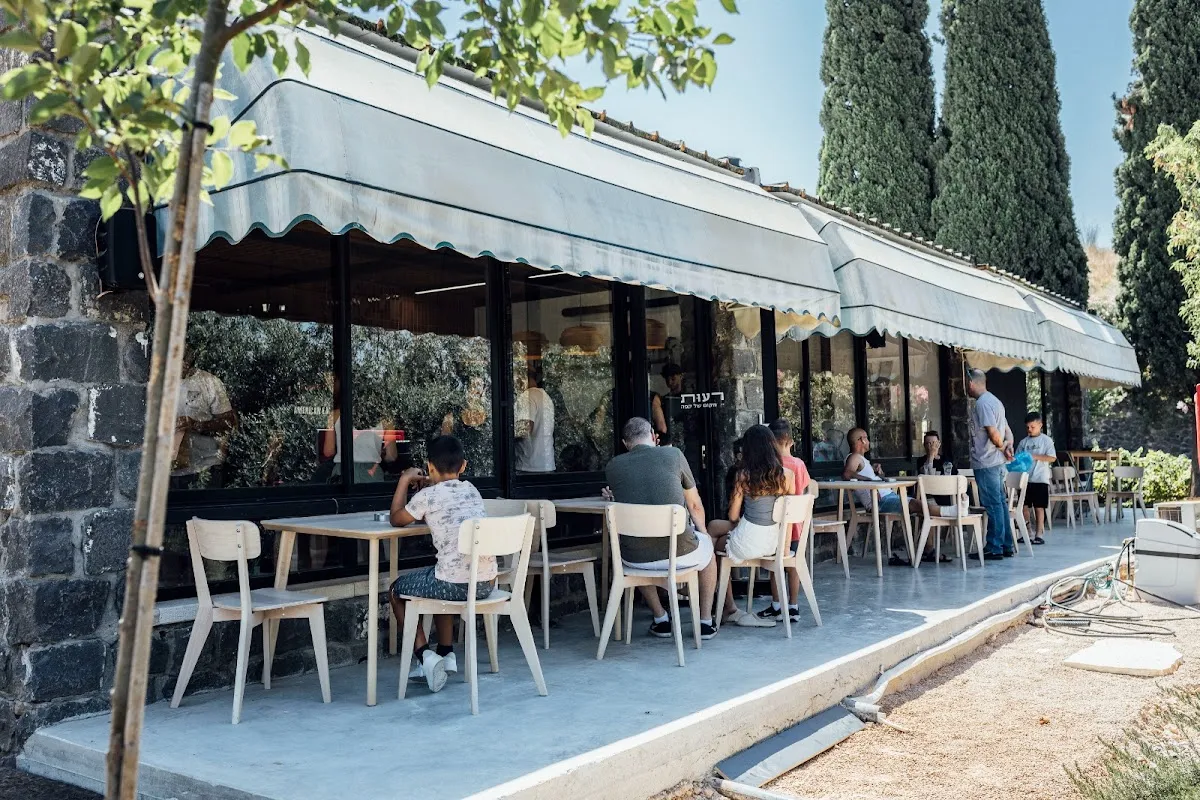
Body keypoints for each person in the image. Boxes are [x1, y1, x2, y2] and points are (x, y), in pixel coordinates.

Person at [387, 435, 491, 694]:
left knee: (396, 590)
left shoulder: (428, 496)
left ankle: (425, 656)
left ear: (429, 466)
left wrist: (404, 480)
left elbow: (396, 519)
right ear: (463, 466)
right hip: (485, 584)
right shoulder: (472, 490)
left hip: (456, 585)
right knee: (440, 577)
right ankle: (446, 653)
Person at [604, 417, 719, 640]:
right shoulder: (674, 455)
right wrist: (703, 534)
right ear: (653, 436)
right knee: (708, 553)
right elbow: (694, 505)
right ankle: (705, 622)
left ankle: (661, 619)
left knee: (635, 548)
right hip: (680, 553)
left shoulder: (613, 466)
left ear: (625, 443)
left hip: (635, 559)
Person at [708, 425, 797, 628]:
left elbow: (732, 516)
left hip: (748, 541)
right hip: (774, 543)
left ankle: (724, 603)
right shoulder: (788, 475)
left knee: (714, 540)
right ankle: (723, 603)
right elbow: (788, 515)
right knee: (714, 528)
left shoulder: (743, 475)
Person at [755, 419, 812, 623]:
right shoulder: (799, 465)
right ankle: (793, 606)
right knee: (793, 565)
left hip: (774, 527)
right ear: (791, 442)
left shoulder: (770, 466)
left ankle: (777, 605)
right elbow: (804, 491)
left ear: (770, 443)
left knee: (775, 565)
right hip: (796, 527)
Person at [171, 347, 237, 490]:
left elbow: (229, 422)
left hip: (203, 470)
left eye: (184, 356)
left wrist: (197, 425)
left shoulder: (209, 382)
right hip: (166, 472)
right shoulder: (155, 382)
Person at [966, 369, 1014, 560]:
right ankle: (1006, 544)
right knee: (1000, 503)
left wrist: (1002, 447)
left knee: (993, 505)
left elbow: (993, 433)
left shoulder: (982, 403)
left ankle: (994, 547)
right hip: (997, 463)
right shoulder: (995, 401)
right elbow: (1007, 430)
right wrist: (1008, 446)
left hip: (987, 462)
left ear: (971, 383)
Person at [1017, 412, 1056, 545]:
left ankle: (1039, 534)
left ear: (1040, 425)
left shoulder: (1046, 441)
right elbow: (1017, 458)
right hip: (1025, 479)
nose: (1030, 429)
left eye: (1032, 427)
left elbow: (1052, 457)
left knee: (1039, 507)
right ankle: (1027, 532)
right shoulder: (1023, 442)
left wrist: (1034, 456)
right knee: (1024, 507)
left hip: (1040, 478)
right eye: (1027, 427)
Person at [515, 363, 555, 473]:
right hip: (546, 463)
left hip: (529, 466)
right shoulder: (545, 396)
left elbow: (525, 429)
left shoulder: (526, 397)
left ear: (521, 377)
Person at [650, 362, 684, 443]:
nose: (670, 382)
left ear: (681, 376)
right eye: (667, 379)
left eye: (673, 378)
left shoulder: (689, 397)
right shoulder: (664, 400)